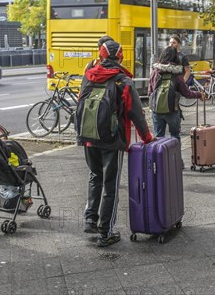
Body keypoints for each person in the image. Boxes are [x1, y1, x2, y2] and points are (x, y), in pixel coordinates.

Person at [79, 40, 153, 247]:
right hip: (113, 140)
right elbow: (136, 114)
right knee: (110, 186)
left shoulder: (88, 76)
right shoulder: (123, 81)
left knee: (95, 177)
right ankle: (106, 232)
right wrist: (147, 138)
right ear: (120, 57)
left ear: (101, 56)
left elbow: (81, 103)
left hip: (89, 137)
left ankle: (90, 219)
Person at [148, 47, 204, 141]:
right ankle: (175, 155)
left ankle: (160, 155)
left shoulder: (155, 72)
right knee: (175, 137)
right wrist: (199, 94)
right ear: (176, 58)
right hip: (172, 111)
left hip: (156, 111)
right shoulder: (177, 74)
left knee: (158, 138)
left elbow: (150, 91)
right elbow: (187, 93)